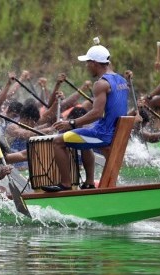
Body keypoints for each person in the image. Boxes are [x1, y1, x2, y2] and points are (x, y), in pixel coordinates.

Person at [42, 41, 129, 192]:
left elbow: (96, 113)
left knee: (57, 141)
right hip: (114, 131)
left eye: (88, 62)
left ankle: (65, 184)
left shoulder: (101, 84)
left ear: (95, 63)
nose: (86, 66)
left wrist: (71, 123)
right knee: (85, 135)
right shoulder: (122, 80)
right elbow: (107, 62)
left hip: (104, 135)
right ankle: (89, 182)